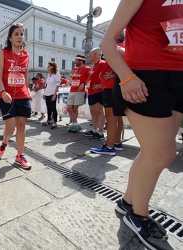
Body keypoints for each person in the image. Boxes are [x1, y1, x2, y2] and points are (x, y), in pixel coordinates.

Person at [100, 1, 182, 249]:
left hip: (177, 78)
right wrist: (126, 77)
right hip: (145, 76)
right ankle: (139, 215)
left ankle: (127, 203)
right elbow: (108, 43)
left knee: (151, 152)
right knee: (163, 153)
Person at [0, 23, 32, 170]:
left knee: (22, 126)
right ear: (10, 38)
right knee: (10, 128)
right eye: (16, 34)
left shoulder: (26, 55)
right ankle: (5, 141)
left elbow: (25, 75)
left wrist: (28, 90)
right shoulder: (3, 53)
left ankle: (19, 156)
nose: (19, 36)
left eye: (21, 34)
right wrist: (3, 92)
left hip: (22, 95)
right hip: (7, 95)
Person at [90, 33, 125, 155]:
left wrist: (113, 73)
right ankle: (116, 142)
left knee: (111, 117)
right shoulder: (120, 47)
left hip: (110, 87)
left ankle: (109, 146)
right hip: (113, 87)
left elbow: (127, 59)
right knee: (116, 117)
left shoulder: (117, 48)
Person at [84, 48, 106, 140]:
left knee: (98, 111)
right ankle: (94, 130)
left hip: (98, 92)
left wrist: (101, 85)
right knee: (93, 112)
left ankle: (100, 132)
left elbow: (109, 75)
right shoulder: (94, 66)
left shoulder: (102, 63)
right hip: (91, 91)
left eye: (90, 54)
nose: (89, 56)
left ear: (96, 54)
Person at [66, 55, 91, 132]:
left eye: (76, 60)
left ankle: (74, 124)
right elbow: (72, 79)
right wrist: (66, 84)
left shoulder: (87, 68)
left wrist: (84, 83)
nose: (75, 62)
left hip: (80, 91)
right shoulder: (75, 69)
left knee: (75, 108)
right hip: (72, 90)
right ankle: (75, 123)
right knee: (69, 108)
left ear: (81, 61)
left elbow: (90, 79)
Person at [42, 61, 61, 129]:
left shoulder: (57, 75)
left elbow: (57, 85)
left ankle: (55, 122)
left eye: (49, 66)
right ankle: (49, 120)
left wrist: (54, 95)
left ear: (52, 67)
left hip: (52, 93)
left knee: (53, 107)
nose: (47, 67)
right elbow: (47, 85)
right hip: (47, 93)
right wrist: (44, 93)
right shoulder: (48, 75)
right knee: (48, 108)